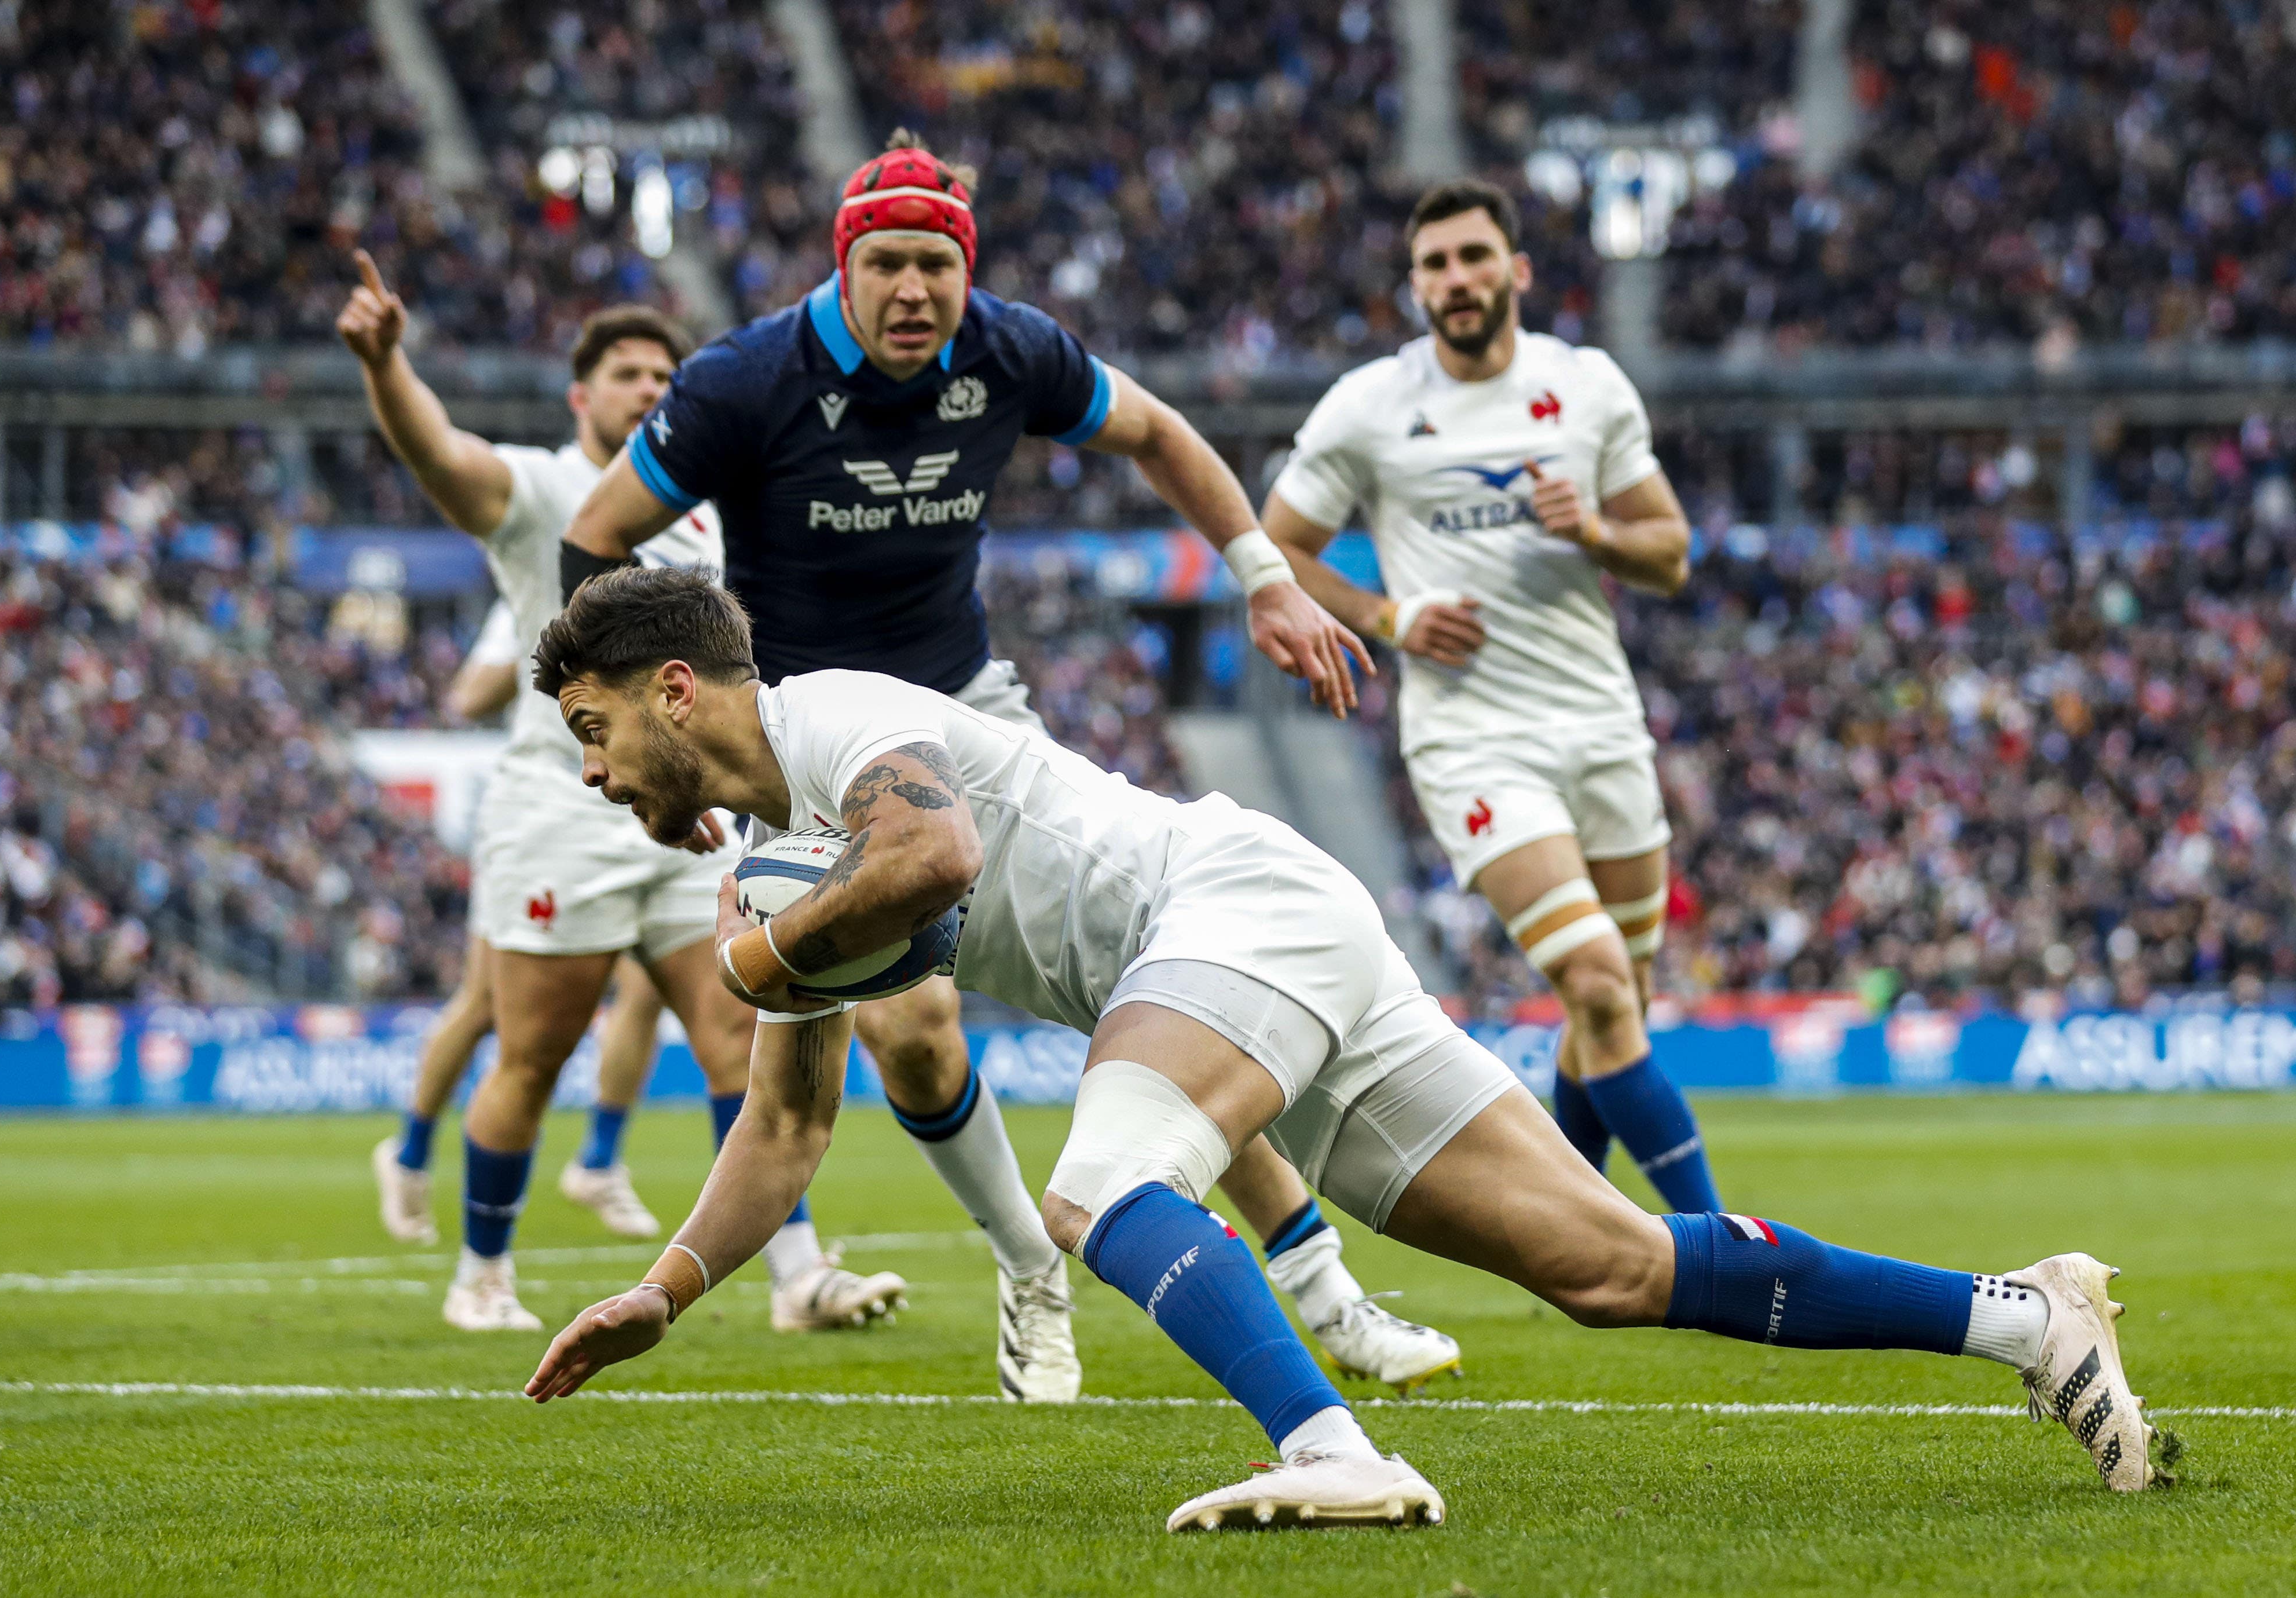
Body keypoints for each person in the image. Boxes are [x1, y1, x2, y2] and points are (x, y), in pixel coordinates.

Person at [519, 568, 2174, 1530]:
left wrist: (753, 950)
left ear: (675, 687)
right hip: (1262, 945)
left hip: (1228, 902)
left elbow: (937, 856)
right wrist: (663, 1288)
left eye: (593, 731)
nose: (593, 778)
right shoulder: (784, 862)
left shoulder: (832, 719)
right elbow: (784, 1126)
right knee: (1603, 1263)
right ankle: (2025, 1318)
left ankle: (1332, 1453)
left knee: (1100, 1184)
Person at [550, 129, 1462, 1401]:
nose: (916, 291)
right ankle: (1029, 1261)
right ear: (843, 270)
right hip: (798, 744)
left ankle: (1327, 1292)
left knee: (1149, 977)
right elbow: (593, 536)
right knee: (914, 1032)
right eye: (890, 264)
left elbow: (1158, 431)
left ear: (967, 272)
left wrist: (1260, 575)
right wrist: (649, 739)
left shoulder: (1010, 347)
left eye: (939, 264)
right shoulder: (741, 381)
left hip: (962, 706)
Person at [338, 261, 898, 1334]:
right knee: (535, 1051)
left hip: (689, 824)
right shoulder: (544, 488)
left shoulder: (698, 524)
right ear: (579, 396)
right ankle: (484, 1272)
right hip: (560, 811)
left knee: (744, 1033)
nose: (650, 388)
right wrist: (385, 364)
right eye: (627, 372)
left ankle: (794, 1275)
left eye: (664, 375)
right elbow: (439, 457)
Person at [1261, 179, 1720, 1214]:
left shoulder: (1586, 386)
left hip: (1599, 720)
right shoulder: (1370, 404)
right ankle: (1716, 1242)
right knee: (1599, 982)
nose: (1455, 280)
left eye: (1473, 257)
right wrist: (1385, 618)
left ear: (1515, 270)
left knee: (1618, 1007)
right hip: (1473, 739)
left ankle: (1571, 1230)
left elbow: (1672, 554)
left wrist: (1596, 533)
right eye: (1433, 264)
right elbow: (1276, 546)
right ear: (1414, 285)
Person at [373, 601, 673, 1244]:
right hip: (541, 817)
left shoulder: (669, 574)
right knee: (486, 1002)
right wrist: (563, 651)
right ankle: (410, 1154)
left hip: (633, 807)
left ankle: (598, 1158)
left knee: (650, 987)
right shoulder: (539, 589)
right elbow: (469, 696)